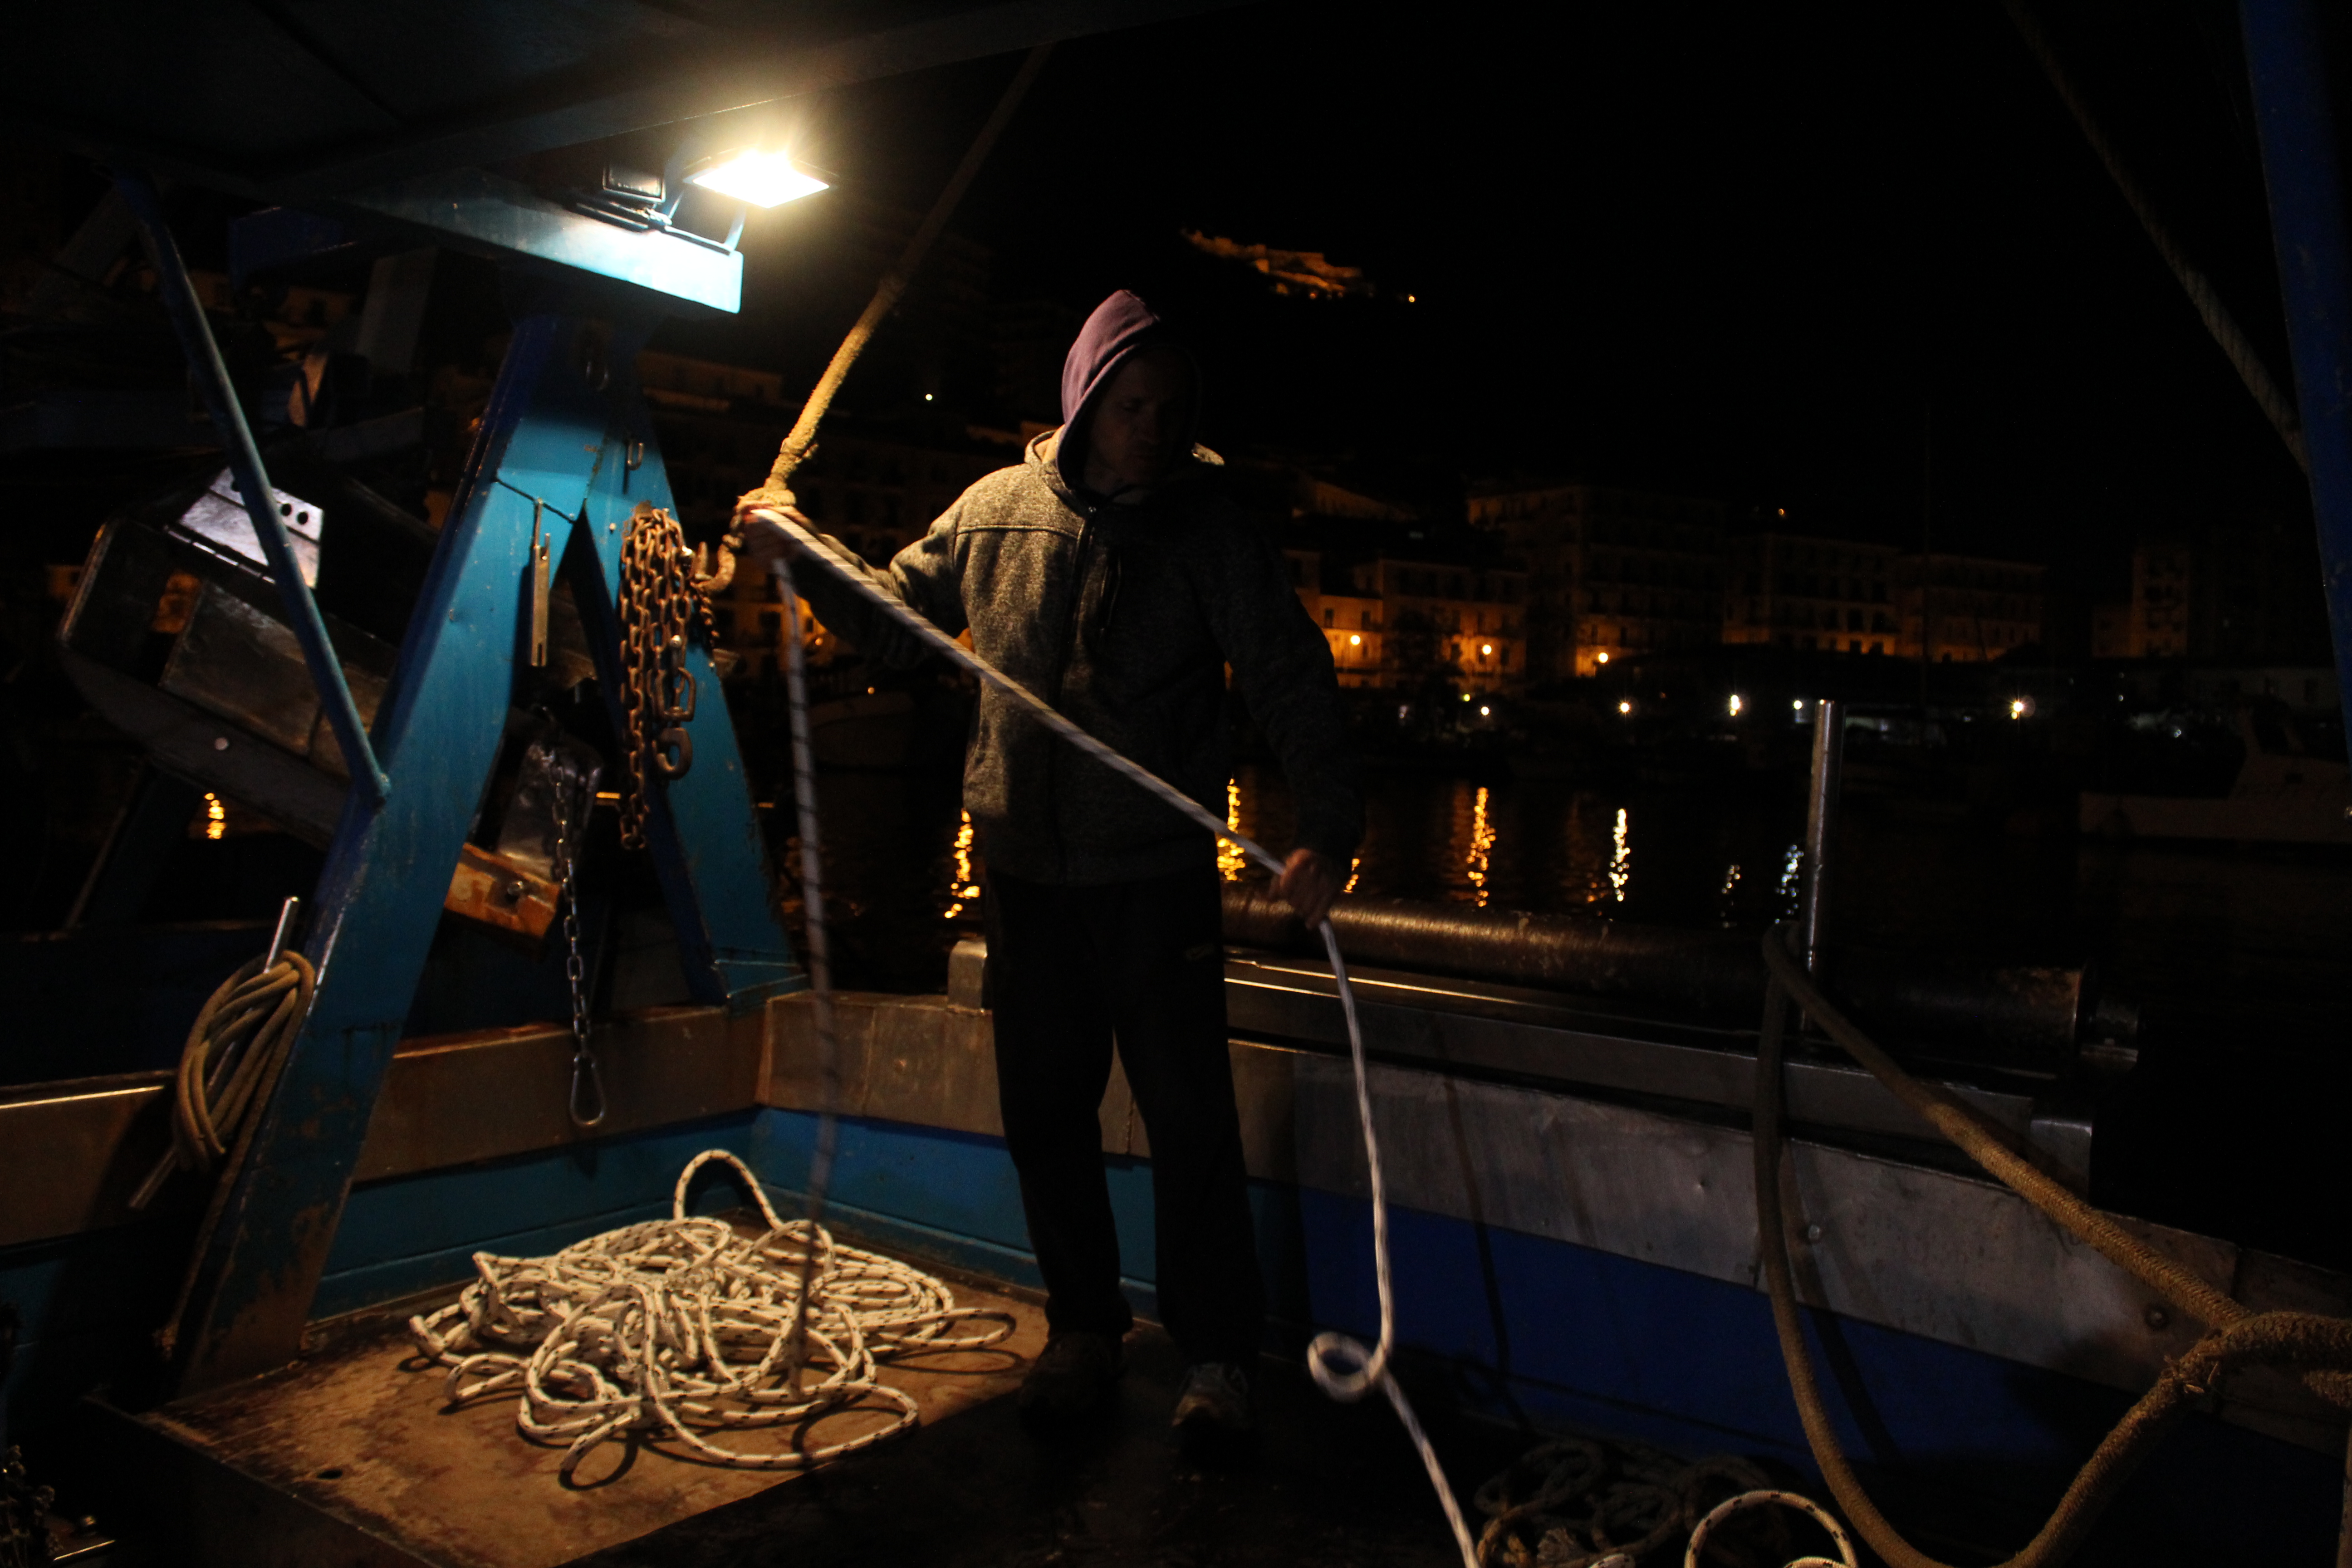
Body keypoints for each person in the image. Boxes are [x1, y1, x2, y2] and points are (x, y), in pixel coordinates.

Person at [738, 290, 1359, 1441]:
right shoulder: (993, 512)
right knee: (1045, 1114)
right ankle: (1083, 1328)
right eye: (1133, 404)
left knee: (1190, 1125)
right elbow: (889, 622)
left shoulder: (1212, 532)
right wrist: (800, 547)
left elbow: (1290, 677)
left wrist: (1325, 825)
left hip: (1157, 882)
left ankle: (1220, 1356)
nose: (1155, 425)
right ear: (1084, 401)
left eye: (1173, 407)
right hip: (1026, 878)